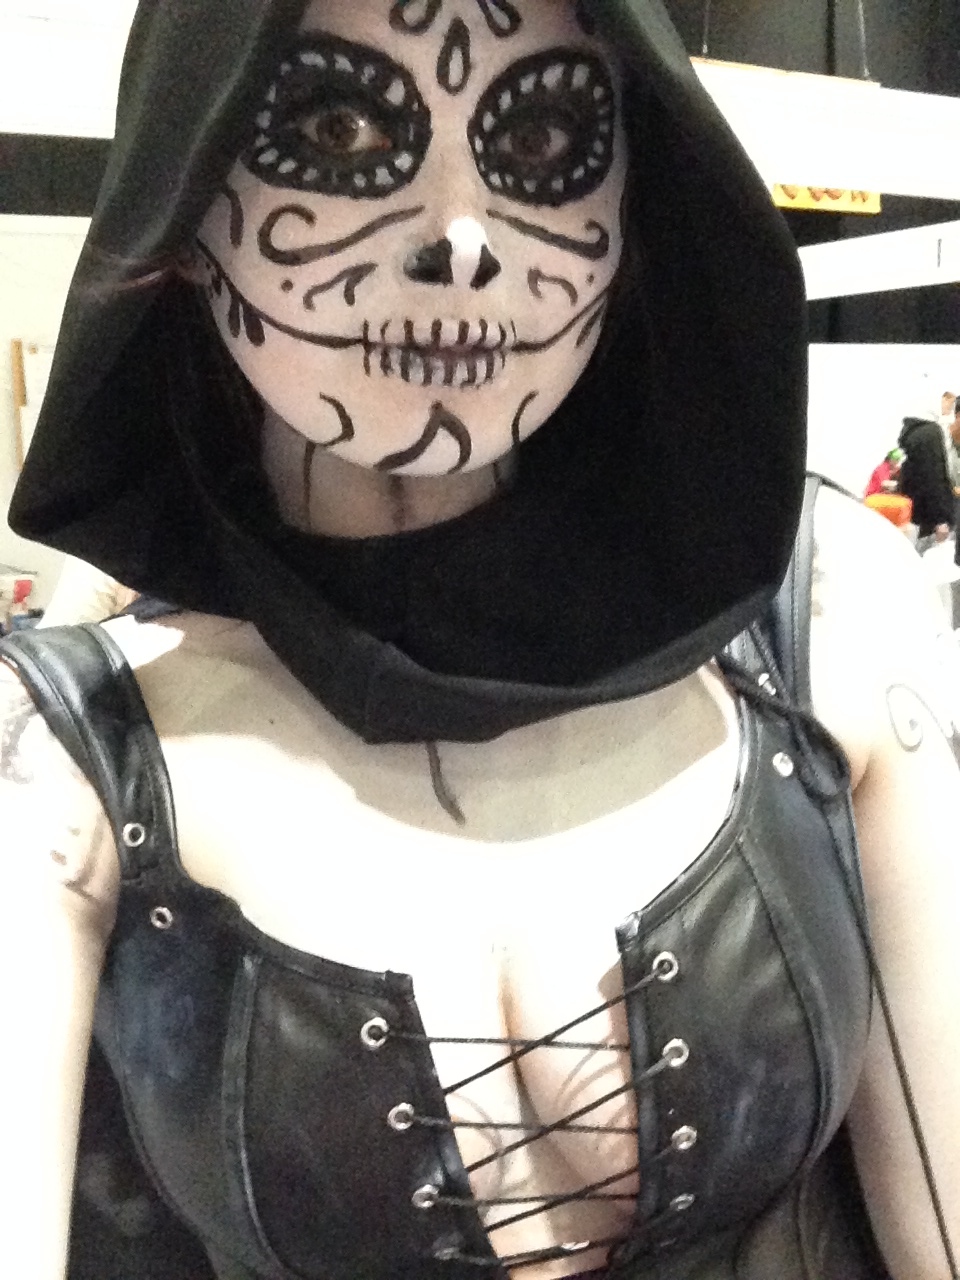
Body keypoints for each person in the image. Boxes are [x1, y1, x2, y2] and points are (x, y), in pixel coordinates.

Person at [2, 3, 960, 1280]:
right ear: (181, 196)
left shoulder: (820, 611)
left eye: (546, 133)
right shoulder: (63, 762)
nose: (460, 239)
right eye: (339, 127)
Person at [898, 412, 955, 542]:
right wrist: (941, 518)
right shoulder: (931, 434)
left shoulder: (911, 433)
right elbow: (934, 477)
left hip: (913, 513)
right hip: (930, 521)